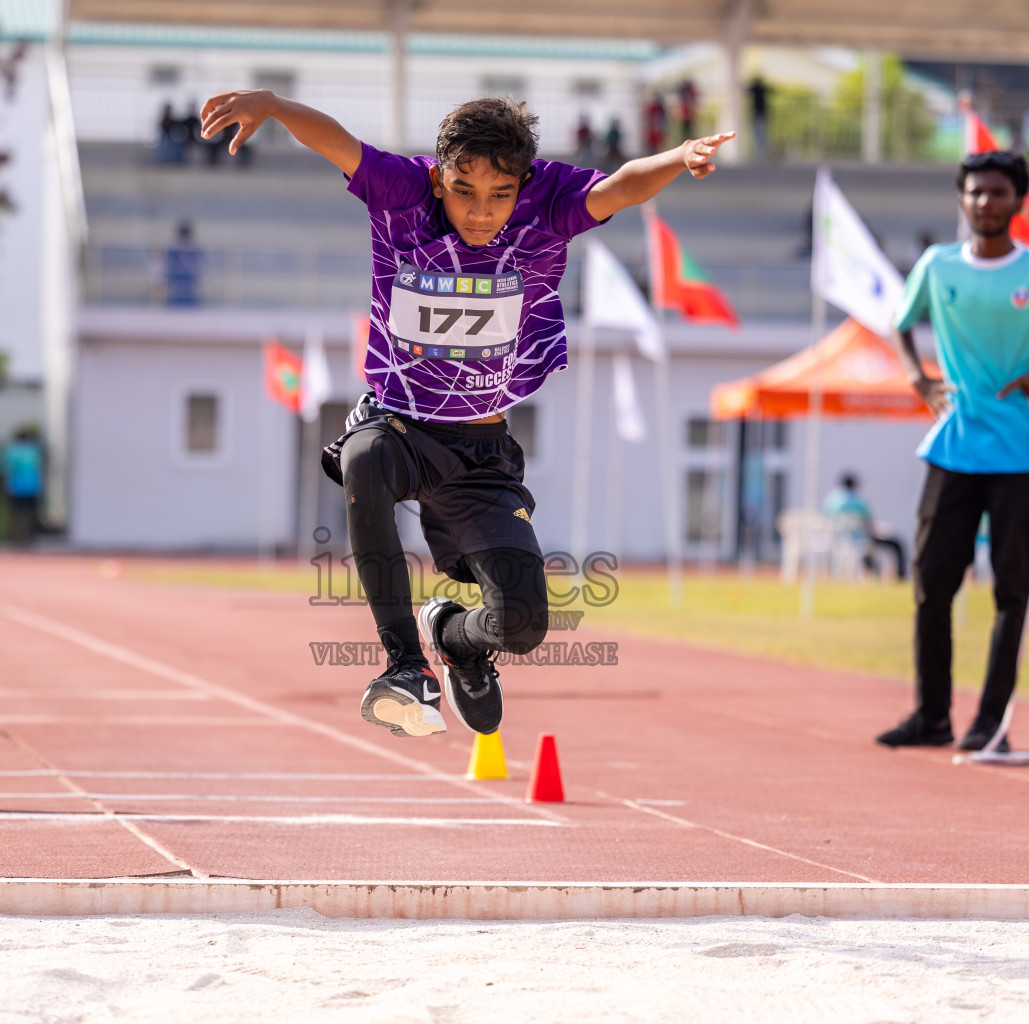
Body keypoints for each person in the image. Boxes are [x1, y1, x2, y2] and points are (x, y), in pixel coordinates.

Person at [198, 89, 732, 739]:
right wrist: (275, 105)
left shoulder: (551, 203)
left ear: (524, 184)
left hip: (481, 451)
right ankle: (405, 668)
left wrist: (678, 155)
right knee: (363, 458)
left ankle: (454, 639)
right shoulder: (403, 193)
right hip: (400, 424)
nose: (480, 213)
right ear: (437, 176)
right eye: (463, 190)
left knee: (525, 625)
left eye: (499, 194)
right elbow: (338, 142)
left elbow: (622, 187)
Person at [877, 151, 1029, 754]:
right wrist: (918, 378)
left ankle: (991, 723)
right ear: (960, 201)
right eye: (974, 193)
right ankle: (932, 716)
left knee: (1011, 593)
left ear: (1019, 201)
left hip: (1020, 455)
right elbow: (900, 322)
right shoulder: (936, 266)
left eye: (996, 192)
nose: (984, 202)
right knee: (932, 586)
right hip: (952, 449)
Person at [822, 472, 905, 579]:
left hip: (837, 540)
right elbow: (869, 523)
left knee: (868, 551)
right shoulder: (860, 500)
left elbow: (826, 519)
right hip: (860, 541)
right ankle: (900, 575)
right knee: (896, 544)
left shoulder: (832, 499)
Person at [0, 427, 43, 547]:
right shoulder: (33, 450)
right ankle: (30, 537)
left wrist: (4, 486)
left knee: (16, 514)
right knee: (31, 513)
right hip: (32, 486)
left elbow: (5, 470)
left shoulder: (11, 451)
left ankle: (17, 538)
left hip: (16, 486)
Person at [164, 220, 202, 306]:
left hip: (188, 276)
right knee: (178, 294)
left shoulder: (194, 248)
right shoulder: (174, 248)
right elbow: (170, 263)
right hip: (178, 276)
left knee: (188, 294)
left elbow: (198, 263)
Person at [748, 76, 772, 159]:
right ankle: (761, 153)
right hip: (760, 115)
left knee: (760, 135)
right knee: (760, 134)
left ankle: (762, 153)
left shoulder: (756, 89)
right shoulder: (761, 89)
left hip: (759, 115)